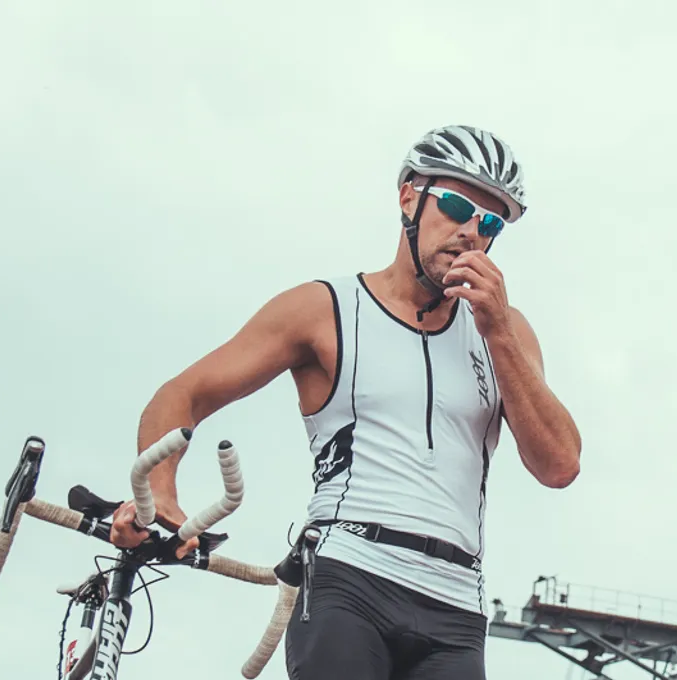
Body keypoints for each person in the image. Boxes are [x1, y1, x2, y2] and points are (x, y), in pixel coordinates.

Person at [107, 124, 584, 680]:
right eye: (456, 205)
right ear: (410, 196)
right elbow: (181, 395)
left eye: (491, 223)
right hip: (349, 579)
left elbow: (559, 464)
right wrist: (159, 495)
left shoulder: (505, 331)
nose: (471, 232)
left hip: (456, 605)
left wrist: (498, 331)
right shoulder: (324, 309)